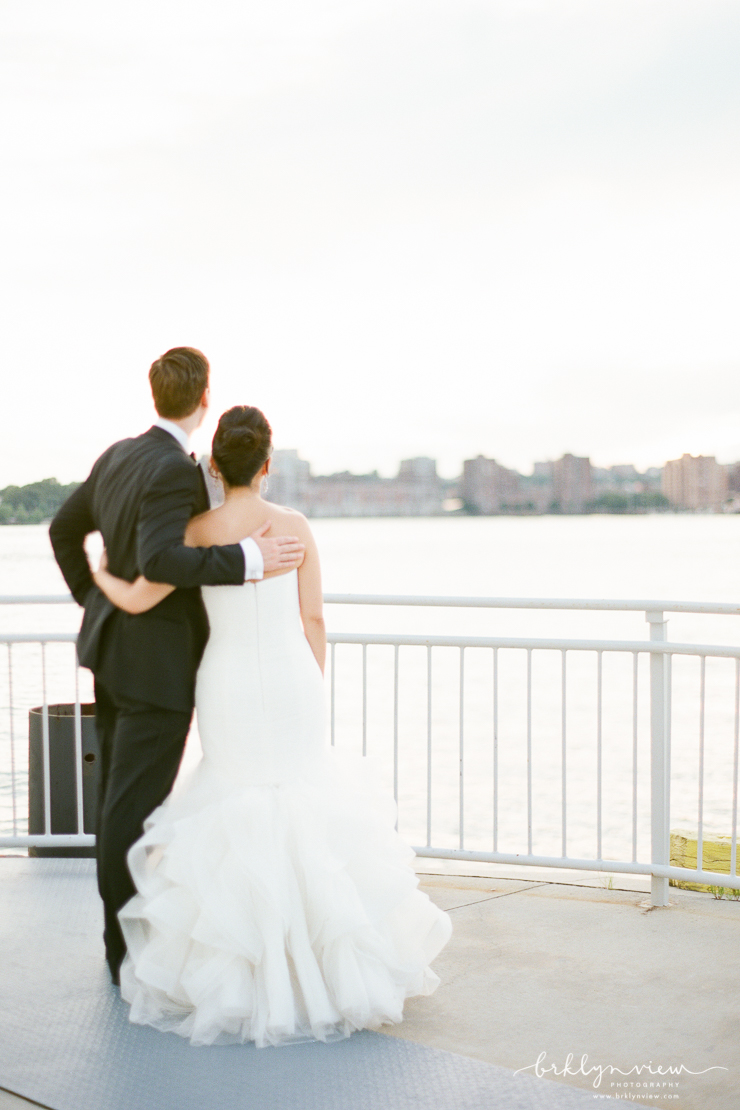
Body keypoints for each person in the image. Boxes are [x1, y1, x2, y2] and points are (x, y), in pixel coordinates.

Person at [92, 404, 453, 1048]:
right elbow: (313, 619)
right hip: (291, 682)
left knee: (234, 801)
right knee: (304, 800)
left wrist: (98, 576)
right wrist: (312, 682)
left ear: (212, 464)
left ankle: (240, 973)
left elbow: (148, 594)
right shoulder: (295, 526)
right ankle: (320, 970)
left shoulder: (197, 532)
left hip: (225, 681)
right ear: (266, 464)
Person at [49, 349, 305, 985]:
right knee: (129, 811)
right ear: (203, 398)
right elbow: (162, 559)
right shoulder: (168, 468)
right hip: (153, 667)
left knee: (117, 797)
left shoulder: (119, 455)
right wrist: (250, 560)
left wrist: (92, 599)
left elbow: (62, 528)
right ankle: (124, 952)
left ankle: (126, 941)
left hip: (112, 651)